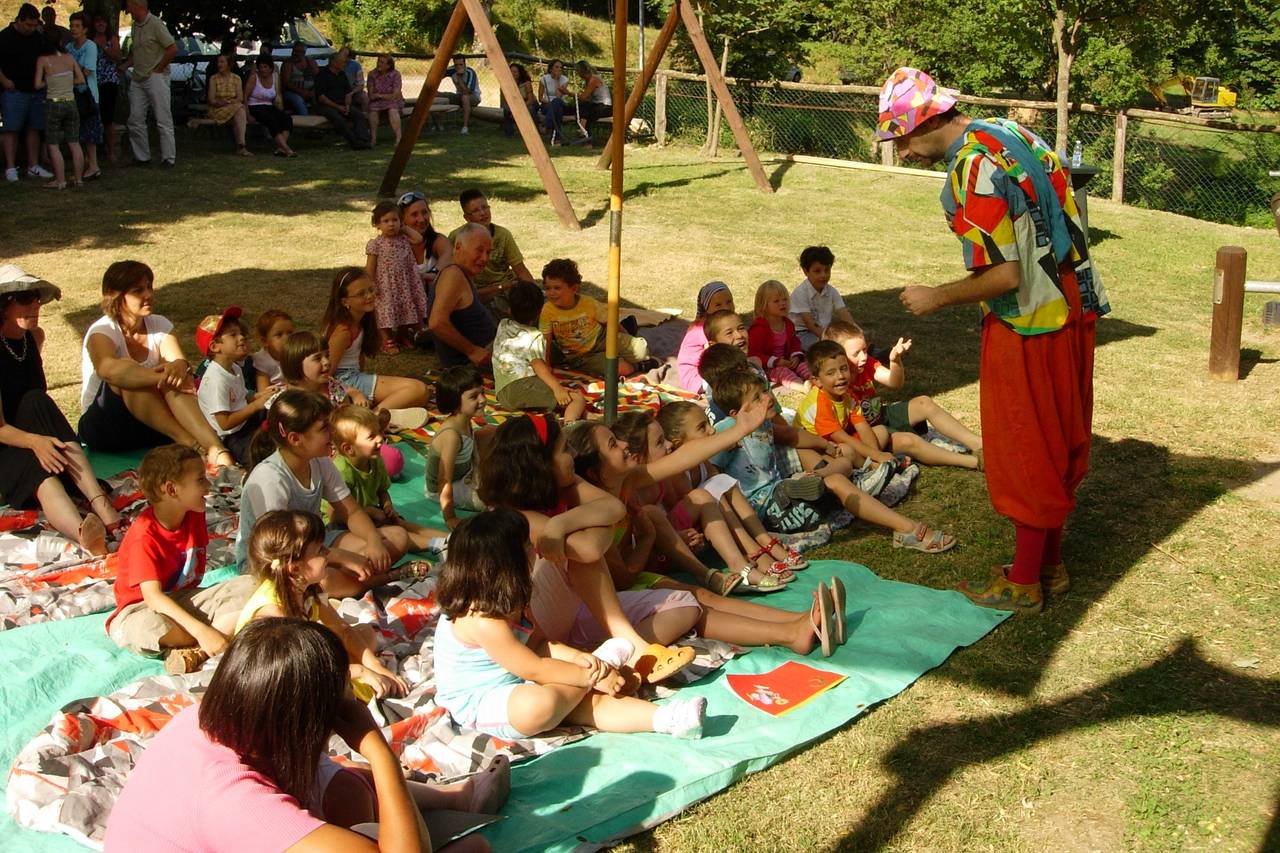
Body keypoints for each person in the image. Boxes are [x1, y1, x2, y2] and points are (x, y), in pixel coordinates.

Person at [880, 67, 1108, 614]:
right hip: (1073, 304)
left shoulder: (973, 167)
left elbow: (1005, 276)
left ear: (921, 124)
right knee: (1060, 433)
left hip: (1030, 320)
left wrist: (935, 296)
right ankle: (1048, 565)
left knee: (1024, 441)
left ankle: (1024, 580)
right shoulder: (1009, 132)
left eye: (900, 139)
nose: (902, 152)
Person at [104, 617, 508, 852]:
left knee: (358, 795)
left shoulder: (222, 719)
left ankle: (455, 800)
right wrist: (378, 752)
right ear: (309, 724)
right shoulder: (239, 803)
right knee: (472, 851)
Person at [434, 509, 709, 740]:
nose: (535, 550)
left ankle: (671, 719)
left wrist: (581, 659)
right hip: (483, 699)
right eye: (527, 546)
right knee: (539, 706)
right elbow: (534, 667)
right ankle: (605, 664)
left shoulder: (514, 597)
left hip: (521, 680)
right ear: (506, 565)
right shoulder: (483, 619)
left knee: (586, 703)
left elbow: (541, 645)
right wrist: (593, 674)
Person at [477, 415, 696, 682]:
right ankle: (634, 649)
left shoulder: (566, 487)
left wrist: (560, 524)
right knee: (582, 554)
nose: (572, 455)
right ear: (540, 463)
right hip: (531, 628)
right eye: (564, 450)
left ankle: (605, 659)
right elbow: (590, 550)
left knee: (685, 606)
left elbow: (614, 508)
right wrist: (591, 523)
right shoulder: (516, 514)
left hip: (568, 609)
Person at [714, 367, 957, 550]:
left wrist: (827, 445)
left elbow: (791, 435)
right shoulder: (726, 431)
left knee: (838, 475)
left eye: (765, 391)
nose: (767, 398)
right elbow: (709, 474)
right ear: (736, 414)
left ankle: (906, 528)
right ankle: (820, 485)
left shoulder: (764, 424)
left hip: (787, 494)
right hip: (765, 509)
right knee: (821, 484)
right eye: (757, 398)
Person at [238, 389, 412, 597]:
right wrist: (338, 557)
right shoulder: (271, 479)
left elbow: (352, 511)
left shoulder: (320, 463)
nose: (332, 433)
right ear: (295, 438)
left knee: (398, 537)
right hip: (278, 561)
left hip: (315, 545)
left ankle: (351, 579)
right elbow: (280, 550)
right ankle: (383, 578)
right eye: (324, 428)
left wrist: (373, 540)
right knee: (323, 580)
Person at [0, 265, 122, 556]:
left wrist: (40, 440)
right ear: (4, 305)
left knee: (36, 400)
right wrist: (36, 442)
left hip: (31, 430)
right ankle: (82, 532)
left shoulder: (33, 338)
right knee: (39, 472)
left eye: (37, 298)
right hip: (5, 445)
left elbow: (32, 400)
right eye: (25, 298)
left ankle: (99, 503)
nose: (35, 305)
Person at [104, 445, 256, 674]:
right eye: (200, 480)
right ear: (171, 490)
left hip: (185, 599)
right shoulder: (144, 536)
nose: (208, 485)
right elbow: (153, 598)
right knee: (150, 628)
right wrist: (201, 630)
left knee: (252, 585)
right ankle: (209, 637)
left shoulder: (194, 513)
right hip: (142, 609)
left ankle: (198, 651)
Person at [238, 509, 411, 700]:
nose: (329, 552)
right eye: (321, 550)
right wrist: (360, 671)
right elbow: (299, 673)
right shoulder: (274, 615)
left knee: (365, 634)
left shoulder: (310, 589)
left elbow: (342, 629)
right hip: (278, 681)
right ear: (295, 568)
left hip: (303, 662)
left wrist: (375, 666)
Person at [79, 261, 235, 467]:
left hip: (152, 424)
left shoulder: (160, 324)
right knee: (129, 376)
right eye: (138, 290)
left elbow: (178, 362)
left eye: (149, 287)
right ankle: (190, 443)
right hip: (106, 427)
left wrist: (179, 366)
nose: (148, 295)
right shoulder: (102, 331)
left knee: (174, 377)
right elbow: (107, 369)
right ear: (115, 295)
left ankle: (218, 451)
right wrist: (160, 376)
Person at [824, 321, 983, 470]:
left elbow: (895, 383)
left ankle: (980, 445)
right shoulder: (834, 383)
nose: (864, 356)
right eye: (856, 353)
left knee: (924, 402)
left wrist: (895, 361)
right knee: (909, 441)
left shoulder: (866, 364)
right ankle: (976, 462)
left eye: (865, 350)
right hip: (865, 435)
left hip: (877, 414)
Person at [330, 406, 444, 553]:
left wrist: (387, 505)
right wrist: (370, 512)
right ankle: (437, 544)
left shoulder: (376, 460)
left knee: (400, 523)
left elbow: (382, 490)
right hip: (343, 524)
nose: (381, 438)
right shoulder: (342, 472)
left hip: (372, 514)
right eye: (371, 436)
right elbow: (335, 516)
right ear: (349, 448)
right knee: (394, 534)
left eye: (379, 432)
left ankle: (453, 538)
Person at [322, 267, 430, 412]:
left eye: (371, 290)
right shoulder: (342, 331)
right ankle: (374, 416)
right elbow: (325, 375)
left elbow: (359, 363)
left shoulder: (360, 321)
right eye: (361, 294)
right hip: (346, 383)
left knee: (419, 389)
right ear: (344, 301)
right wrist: (352, 392)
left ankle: (371, 411)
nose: (369, 296)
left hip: (355, 378)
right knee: (418, 390)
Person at [540, 258, 654, 378]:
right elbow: (546, 340)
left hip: (603, 339)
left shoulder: (589, 304)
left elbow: (610, 322)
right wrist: (546, 365)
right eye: (548, 288)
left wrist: (627, 336)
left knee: (642, 351)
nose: (551, 293)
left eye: (557, 288)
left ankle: (627, 331)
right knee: (621, 369)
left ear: (573, 288)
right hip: (582, 356)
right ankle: (639, 366)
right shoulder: (547, 311)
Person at [493, 280, 587, 418]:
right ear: (539, 311)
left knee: (557, 402)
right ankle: (570, 428)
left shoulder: (503, 324)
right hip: (521, 387)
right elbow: (538, 365)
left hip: (501, 393)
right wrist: (557, 388)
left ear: (509, 310)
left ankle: (584, 417)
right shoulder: (534, 336)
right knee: (576, 399)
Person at [195, 307, 273, 466]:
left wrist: (263, 396)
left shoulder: (234, 367)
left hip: (246, 420)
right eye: (233, 335)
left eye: (241, 333)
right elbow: (225, 423)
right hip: (233, 436)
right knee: (259, 457)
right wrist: (256, 405)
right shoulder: (216, 379)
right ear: (215, 346)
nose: (242, 337)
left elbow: (243, 396)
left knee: (281, 410)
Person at [424, 366, 490, 529]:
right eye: (474, 396)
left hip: (463, 474)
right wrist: (450, 518)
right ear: (455, 403)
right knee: (496, 495)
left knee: (493, 433)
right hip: (446, 487)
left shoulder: (464, 419)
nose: (482, 400)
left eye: (482, 392)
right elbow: (444, 480)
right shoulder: (452, 436)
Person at [428, 223, 499, 368]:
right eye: (479, 250)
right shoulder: (453, 275)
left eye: (488, 252)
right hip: (471, 366)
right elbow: (436, 323)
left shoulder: (460, 274)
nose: (485, 258)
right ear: (458, 247)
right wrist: (472, 351)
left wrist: (502, 288)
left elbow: (467, 303)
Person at [448, 189, 536, 304]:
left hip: (507, 288)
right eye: (475, 211)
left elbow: (521, 270)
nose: (483, 213)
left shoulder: (503, 234)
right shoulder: (457, 237)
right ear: (467, 218)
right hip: (478, 293)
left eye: (485, 207)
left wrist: (536, 293)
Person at [0, 4, 55, 183]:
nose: (31, 29)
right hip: (14, 90)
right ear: (19, 20)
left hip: (36, 90)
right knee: (11, 129)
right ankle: (10, 167)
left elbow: (50, 54)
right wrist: (4, 81)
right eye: (28, 25)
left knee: (35, 128)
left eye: (34, 25)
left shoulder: (38, 37)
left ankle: (33, 165)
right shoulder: (5, 37)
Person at [119, 0, 176, 168]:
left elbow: (172, 48)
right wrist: (125, 65)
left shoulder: (156, 24)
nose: (127, 10)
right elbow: (136, 52)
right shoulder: (135, 26)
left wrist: (159, 69)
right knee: (135, 118)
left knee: (162, 118)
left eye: (129, 6)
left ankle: (168, 158)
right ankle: (142, 156)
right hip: (138, 77)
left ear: (137, 6)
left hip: (155, 76)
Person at [366, 200, 427, 352]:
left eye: (395, 220)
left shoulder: (404, 239)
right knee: (384, 311)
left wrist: (404, 228)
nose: (391, 224)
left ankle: (402, 335)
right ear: (377, 225)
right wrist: (369, 284)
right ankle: (386, 340)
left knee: (405, 309)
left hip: (405, 283)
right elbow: (370, 267)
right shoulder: (376, 244)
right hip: (385, 285)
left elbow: (418, 239)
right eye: (386, 221)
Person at [34, 33, 86, 189]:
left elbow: (37, 84)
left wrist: (50, 82)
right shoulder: (69, 58)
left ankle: (60, 180)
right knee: (74, 142)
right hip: (70, 102)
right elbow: (81, 79)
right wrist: (66, 82)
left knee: (53, 143)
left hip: (54, 103)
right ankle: (78, 179)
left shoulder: (43, 60)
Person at [748, 280, 810, 392]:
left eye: (785, 299)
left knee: (802, 365)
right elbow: (753, 354)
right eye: (776, 301)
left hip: (786, 361)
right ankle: (802, 387)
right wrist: (775, 361)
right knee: (783, 372)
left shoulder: (788, 324)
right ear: (764, 306)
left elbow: (794, 342)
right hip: (767, 367)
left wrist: (795, 356)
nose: (782, 303)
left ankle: (813, 379)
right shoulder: (759, 329)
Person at [675, 281, 736, 393]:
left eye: (729, 302)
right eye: (718, 305)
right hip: (696, 375)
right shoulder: (702, 329)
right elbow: (715, 355)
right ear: (707, 308)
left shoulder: (726, 322)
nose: (726, 307)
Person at [790, 246, 855, 349]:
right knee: (829, 348)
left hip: (823, 331)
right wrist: (830, 341)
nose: (823, 275)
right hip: (800, 334)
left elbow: (844, 314)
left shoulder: (831, 291)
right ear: (805, 271)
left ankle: (869, 351)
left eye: (827, 270)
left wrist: (856, 333)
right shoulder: (800, 293)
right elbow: (810, 325)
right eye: (817, 271)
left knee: (847, 340)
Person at [67, 13, 103, 180]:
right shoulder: (68, 47)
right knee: (78, 130)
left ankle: (94, 165)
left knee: (90, 131)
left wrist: (72, 72)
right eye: (71, 25)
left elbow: (87, 71)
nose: (73, 29)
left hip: (88, 94)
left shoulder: (90, 46)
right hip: (72, 94)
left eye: (77, 26)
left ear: (85, 29)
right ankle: (85, 163)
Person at [315, 51, 371, 149]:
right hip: (327, 105)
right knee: (338, 118)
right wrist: (338, 107)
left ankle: (363, 140)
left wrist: (347, 106)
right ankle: (354, 142)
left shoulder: (342, 75)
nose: (345, 64)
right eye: (343, 62)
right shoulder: (322, 75)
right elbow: (321, 97)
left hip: (342, 104)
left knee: (358, 114)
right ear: (334, 62)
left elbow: (348, 93)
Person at [398, 190, 453, 289]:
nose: (422, 219)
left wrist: (429, 275)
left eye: (424, 212)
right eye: (414, 215)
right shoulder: (395, 245)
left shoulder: (438, 240)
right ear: (402, 220)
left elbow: (448, 256)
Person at [243, 56, 296, 158]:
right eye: (261, 67)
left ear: (271, 68)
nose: (263, 69)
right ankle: (287, 150)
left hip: (268, 105)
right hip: (254, 106)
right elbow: (245, 96)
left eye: (265, 67)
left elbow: (278, 95)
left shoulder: (275, 77)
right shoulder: (254, 78)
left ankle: (281, 148)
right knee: (271, 120)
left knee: (287, 119)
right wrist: (247, 114)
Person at [91, 14, 123, 164]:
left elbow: (118, 56)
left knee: (108, 119)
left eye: (103, 22)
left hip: (108, 81)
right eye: (97, 22)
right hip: (92, 81)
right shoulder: (89, 40)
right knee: (93, 117)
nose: (100, 24)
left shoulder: (112, 39)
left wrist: (103, 46)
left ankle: (111, 151)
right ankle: (93, 152)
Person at [205, 54, 250, 156]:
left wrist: (229, 102)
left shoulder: (237, 78)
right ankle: (242, 146)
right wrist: (219, 102)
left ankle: (241, 145)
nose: (219, 64)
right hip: (218, 109)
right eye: (218, 62)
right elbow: (211, 99)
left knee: (239, 110)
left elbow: (240, 98)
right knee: (240, 109)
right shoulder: (213, 78)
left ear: (229, 64)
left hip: (232, 107)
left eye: (222, 62)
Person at [251, 308, 293, 391]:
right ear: (265, 341)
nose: (287, 338)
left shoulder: (295, 354)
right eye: (279, 335)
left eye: (290, 333)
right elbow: (263, 390)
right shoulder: (263, 360)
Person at [366, 53, 403, 147]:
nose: (379, 64)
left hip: (393, 101)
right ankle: (373, 139)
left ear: (388, 65)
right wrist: (382, 96)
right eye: (378, 61)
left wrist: (379, 95)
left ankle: (399, 138)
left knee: (393, 110)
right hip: (377, 102)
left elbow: (395, 95)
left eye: (382, 62)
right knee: (373, 111)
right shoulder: (372, 74)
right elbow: (371, 95)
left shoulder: (395, 74)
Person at [538, 59, 573, 146]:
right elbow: (540, 98)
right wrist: (549, 103)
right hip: (547, 104)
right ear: (551, 69)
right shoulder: (544, 79)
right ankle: (557, 139)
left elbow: (558, 96)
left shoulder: (564, 79)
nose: (559, 69)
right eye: (556, 67)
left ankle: (546, 125)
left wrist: (557, 80)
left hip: (560, 102)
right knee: (558, 110)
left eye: (561, 68)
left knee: (557, 102)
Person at [501, 62, 539, 138]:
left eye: (515, 72)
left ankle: (534, 133)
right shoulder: (505, 84)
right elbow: (505, 101)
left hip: (528, 103)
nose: (512, 73)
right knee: (506, 109)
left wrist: (518, 110)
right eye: (511, 71)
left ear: (520, 73)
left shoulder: (526, 83)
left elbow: (531, 100)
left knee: (530, 110)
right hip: (515, 104)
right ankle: (509, 133)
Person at [279, 41, 318, 116]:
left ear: (304, 53)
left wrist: (313, 91)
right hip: (292, 92)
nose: (296, 54)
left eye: (299, 52)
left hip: (309, 91)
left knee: (320, 97)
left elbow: (319, 78)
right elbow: (286, 83)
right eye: (294, 51)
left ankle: (320, 122)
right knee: (298, 100)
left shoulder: (310, 62)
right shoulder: (288, 63)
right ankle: (305, 122)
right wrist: (301, 92)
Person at [573, 60, 611, 130]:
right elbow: (586, 99)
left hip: (605, 107)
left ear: (582, 71)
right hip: (596, 105)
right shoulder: (587, 81)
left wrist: (568, 93)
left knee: (586, 110)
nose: (578, 74)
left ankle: (583, 129)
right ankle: (584, 132)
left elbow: (583, 98)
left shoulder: (594, 79)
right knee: (583, 107)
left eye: (577, 72)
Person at [448, 54, 480, 134]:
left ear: (465, 64)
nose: (458, 67)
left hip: (473, 97)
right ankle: (438, 125)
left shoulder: (470, 72)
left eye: (461, 64)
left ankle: (465, 127)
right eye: (456, 65)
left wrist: (459, 77)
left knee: (465, 97)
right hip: (459, 95)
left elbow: (467, 91)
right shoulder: (451, 70)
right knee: (437, 95)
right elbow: (439, 75)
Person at [337, 46, 367, 112]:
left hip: (352, 91)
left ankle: (365, 116)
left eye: (345, 55)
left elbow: (361, 84)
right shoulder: (334, 64)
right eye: (341, 54)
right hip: (337, 91)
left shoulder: (355, 65)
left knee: (364, 97)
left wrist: (351, 93)